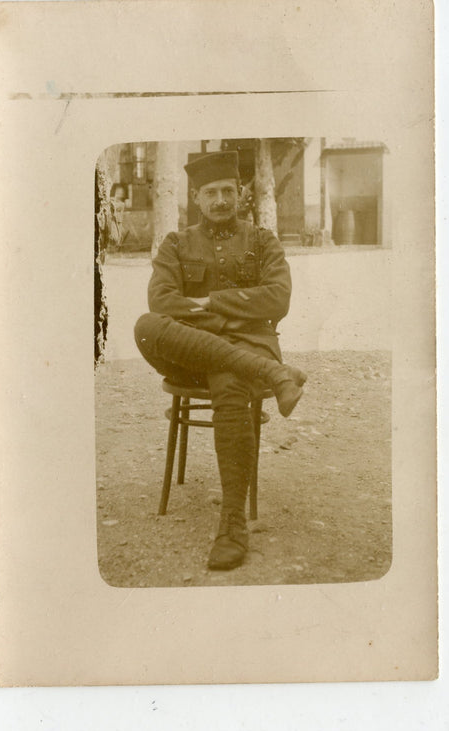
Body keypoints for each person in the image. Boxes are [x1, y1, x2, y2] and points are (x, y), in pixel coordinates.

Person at [134, 150, 306, 571]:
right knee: (145, 324)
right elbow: (162, 301)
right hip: (202, 350)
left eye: (228, 191)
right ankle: (273, 374)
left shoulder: (263, 241)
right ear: (197, 197)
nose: (221, 200)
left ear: (242, 193)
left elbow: (278, 299)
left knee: (229, 381)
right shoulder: (176, 244)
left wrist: (211, 301)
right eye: (211, 193)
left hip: (249, 346)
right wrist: (229, 318)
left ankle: (232, 526)